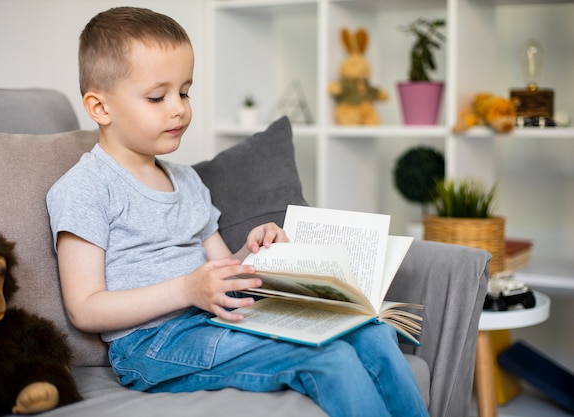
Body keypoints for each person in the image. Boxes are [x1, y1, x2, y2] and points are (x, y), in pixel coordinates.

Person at [46, 7, 429, 417]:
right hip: (152, 345)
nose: (178, 108)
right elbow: (84, 308)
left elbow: (224, 272)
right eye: (158, 97)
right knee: (328, 359)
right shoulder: (85, 187)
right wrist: (186, 290)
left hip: (215, 317)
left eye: (185, 92)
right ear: (100, 108)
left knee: (371, 333)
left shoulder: (186, 181)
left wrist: (257, 253)